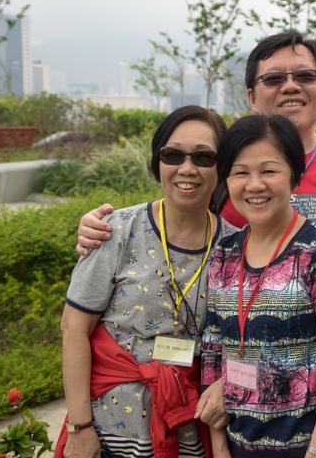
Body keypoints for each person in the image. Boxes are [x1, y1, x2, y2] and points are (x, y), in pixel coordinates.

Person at [75, 30, 316, 251]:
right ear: (251, 97)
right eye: (273, 79)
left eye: (304, 76)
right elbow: (170, 217)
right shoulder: (220, 163)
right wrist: (105, 228)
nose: (290, 86)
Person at [57, 106, 236, 458]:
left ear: (223, 167)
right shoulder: (116, 231)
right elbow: (73, 328)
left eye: (203, 157)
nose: (187, 168)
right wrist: (79, 428)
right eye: (173, 155)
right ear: (157, 162)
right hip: (107, 434)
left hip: (190, 433)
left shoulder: (235, 247)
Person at [201, 114, 316, 458]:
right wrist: (219, 445)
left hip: (314, 445)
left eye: (269, 171)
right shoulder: (225, 254)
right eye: (240, 172)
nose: (254, 185)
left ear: (294, 174)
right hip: (240, 443)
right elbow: (214, 351)